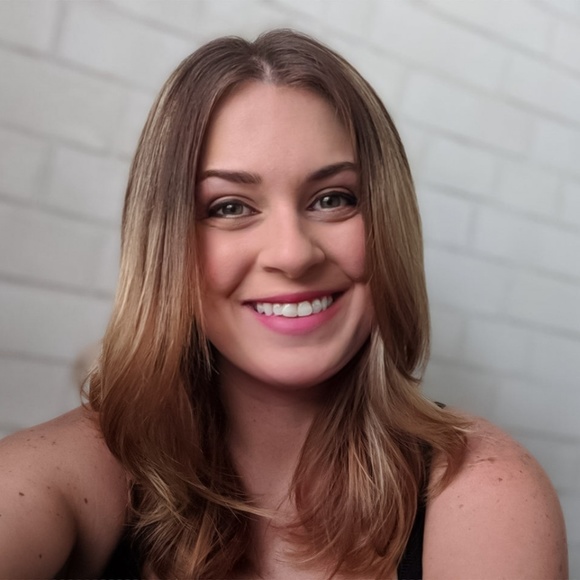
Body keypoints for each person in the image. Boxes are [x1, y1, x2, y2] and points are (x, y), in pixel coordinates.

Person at [0, 29, 567, 579]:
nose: (293, 255)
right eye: (229, 207)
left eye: (333, 199)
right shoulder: (63, 475)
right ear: (164, 244)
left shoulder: (485, 488)